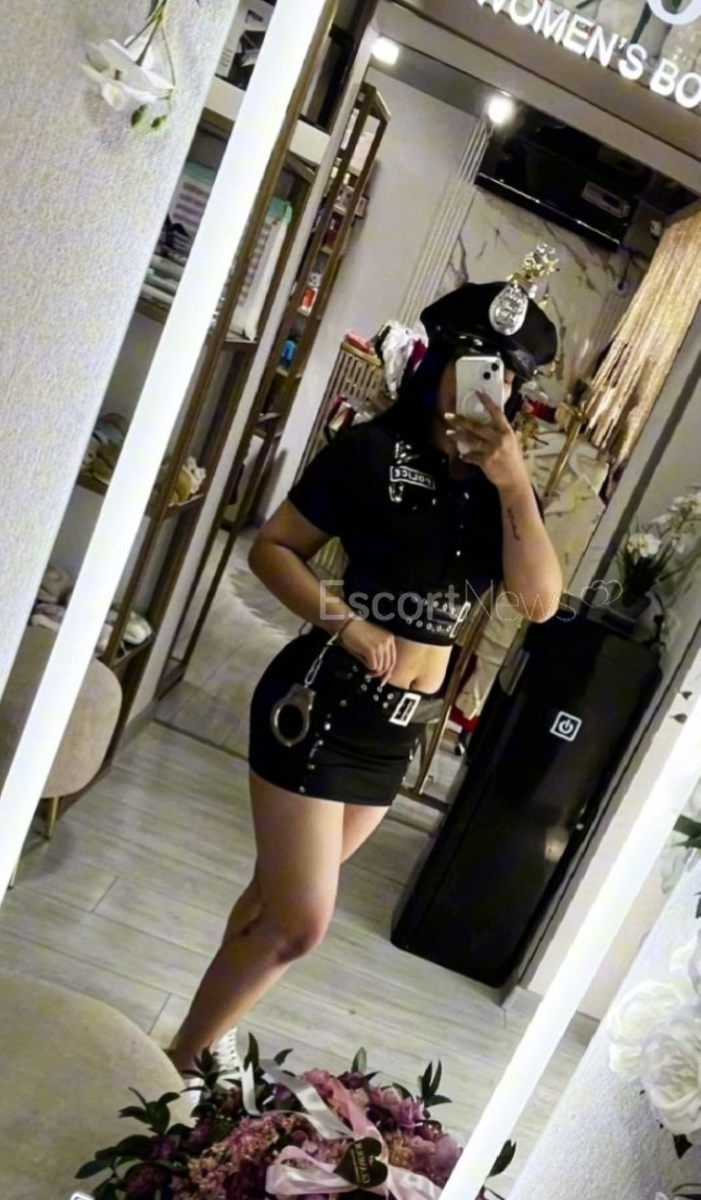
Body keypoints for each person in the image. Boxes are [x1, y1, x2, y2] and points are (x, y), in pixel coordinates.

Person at [166, 279, 564, 1076]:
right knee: (300, 922)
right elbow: (272, 548)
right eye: (479, 364)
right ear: (439, 361)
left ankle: (198, 1038)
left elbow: (538, 602)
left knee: (271, 902)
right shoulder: (371, 450)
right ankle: (185, 1059)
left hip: (394, 731)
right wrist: (346, 622)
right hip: (322, 703)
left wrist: (514, 484)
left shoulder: (500, 490)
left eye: (508, 375)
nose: (492, 386)